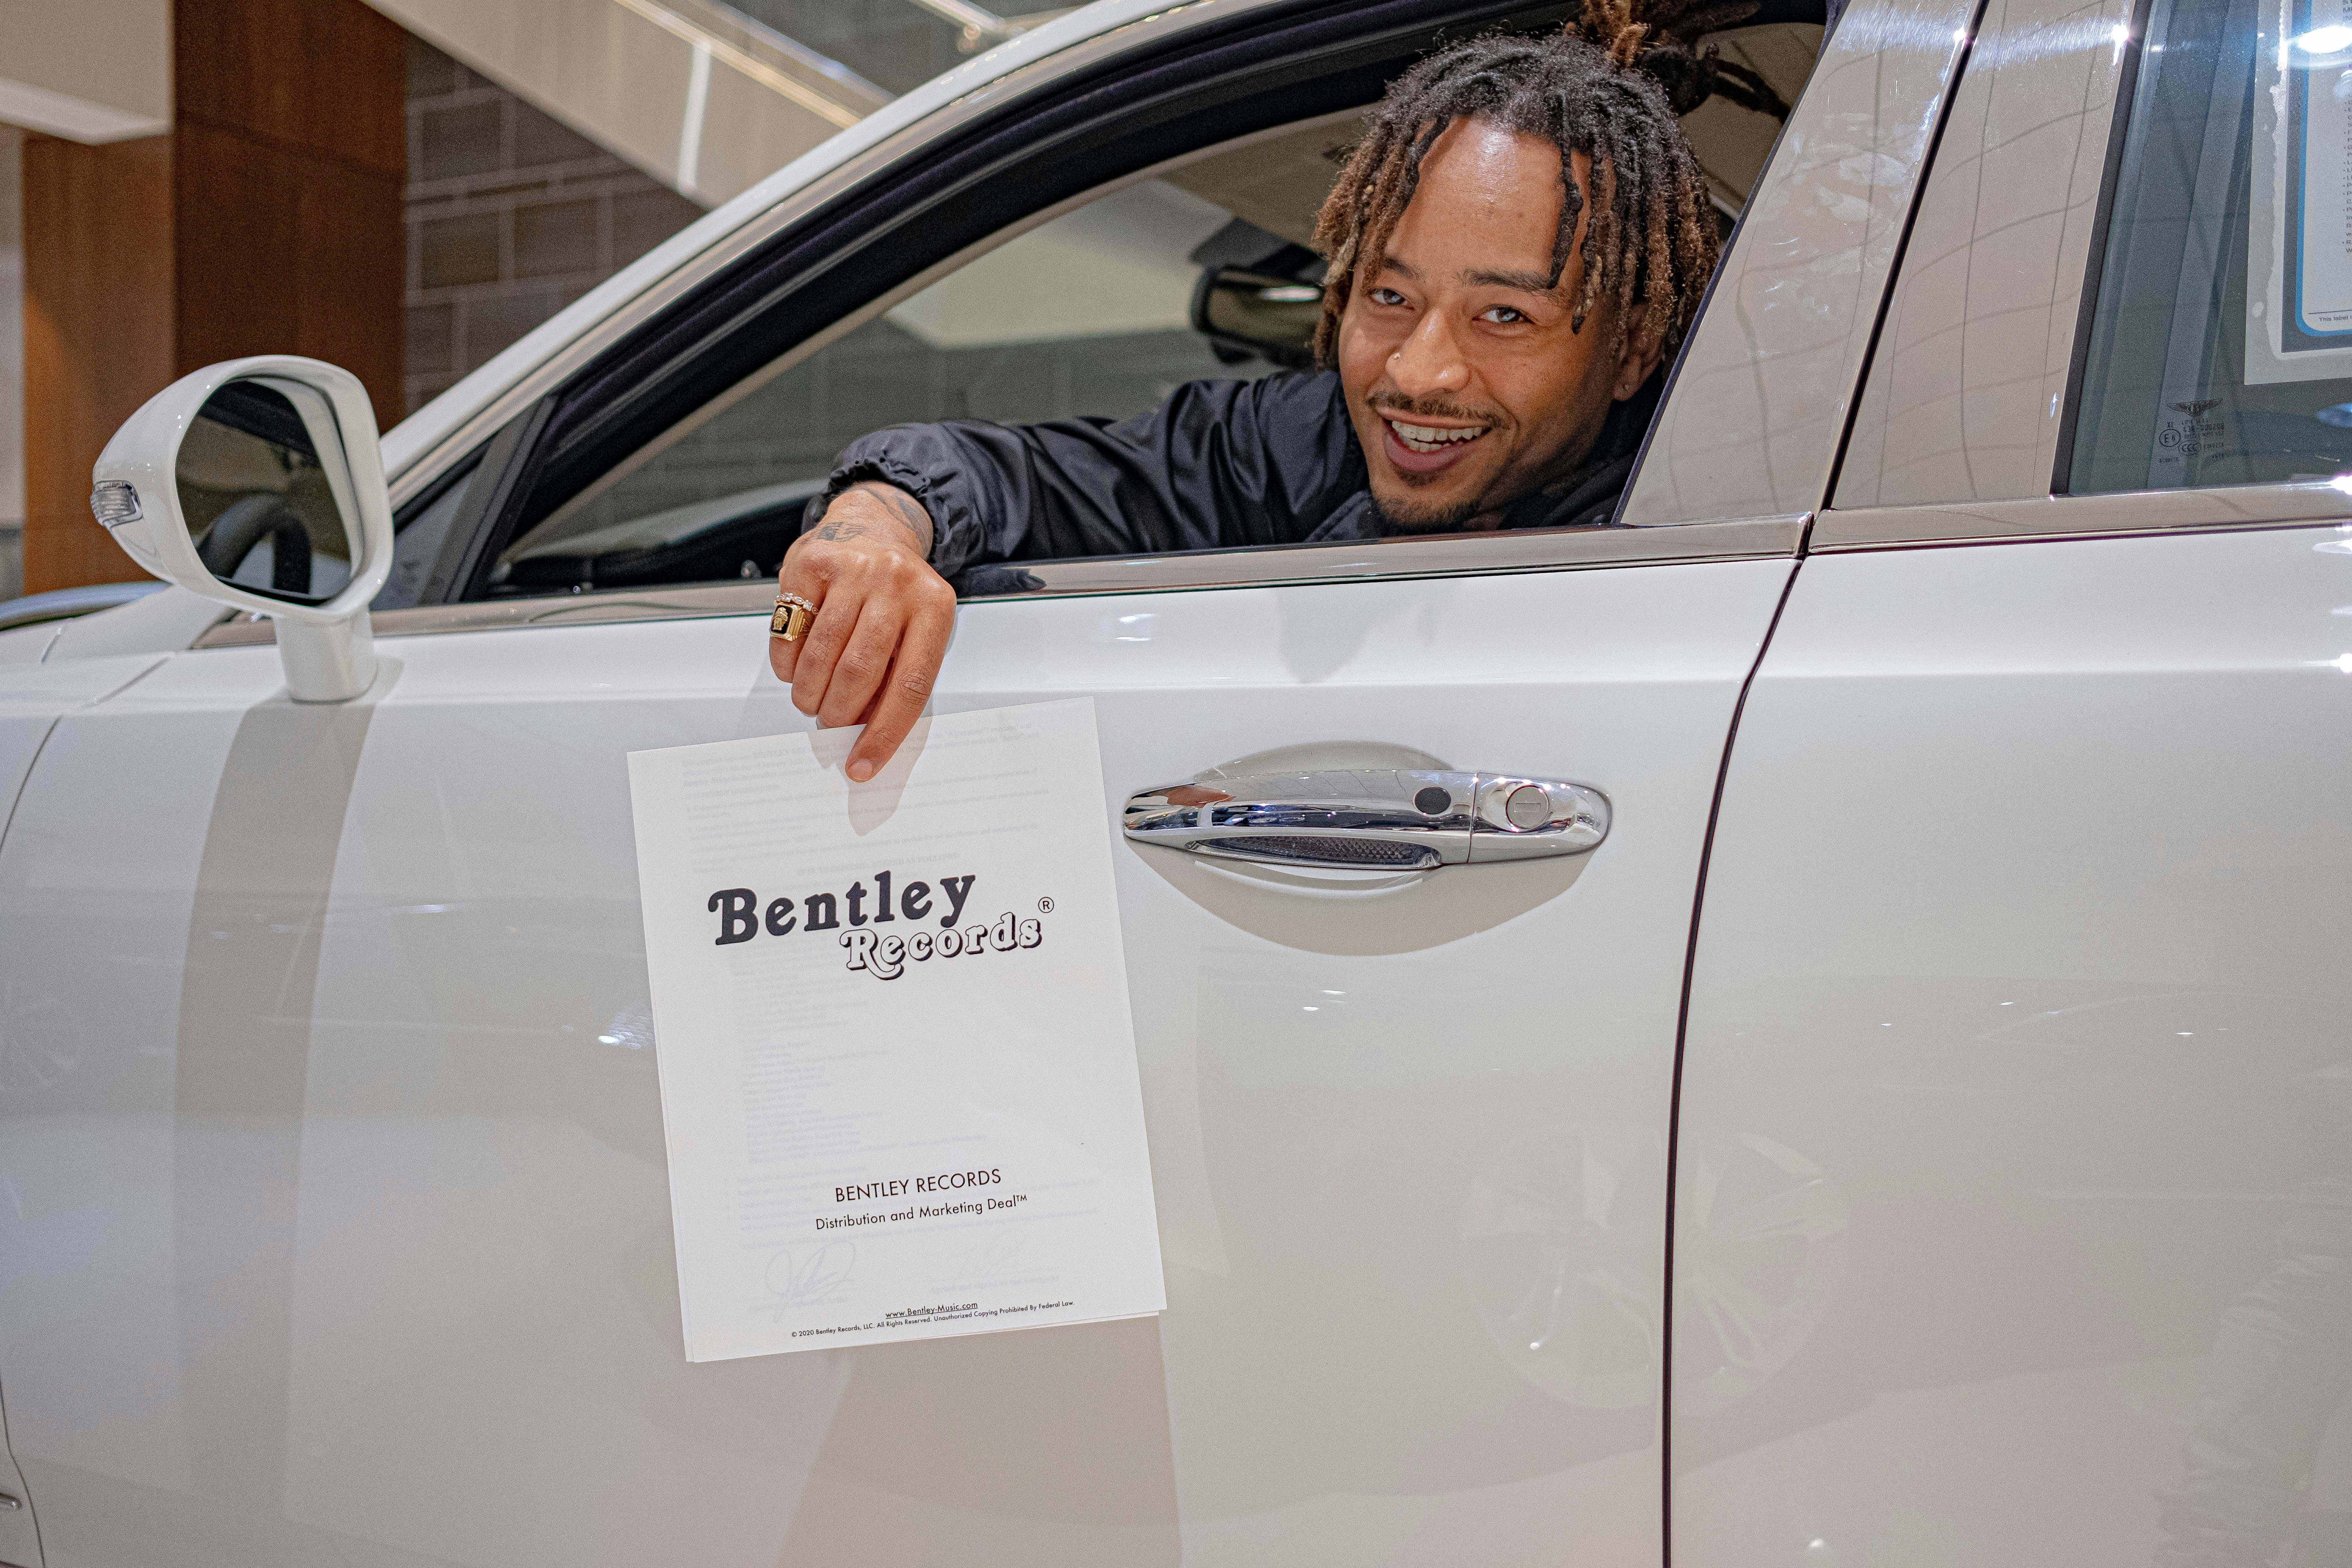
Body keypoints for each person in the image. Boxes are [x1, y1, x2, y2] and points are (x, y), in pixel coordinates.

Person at [770, 0, 1781, 781]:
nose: (1418, 373)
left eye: (1503, 317)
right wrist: (878, 527)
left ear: (1636, 350)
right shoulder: (1309, 443)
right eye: (1389, 295)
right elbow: (1036, 477)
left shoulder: (1729, 519)